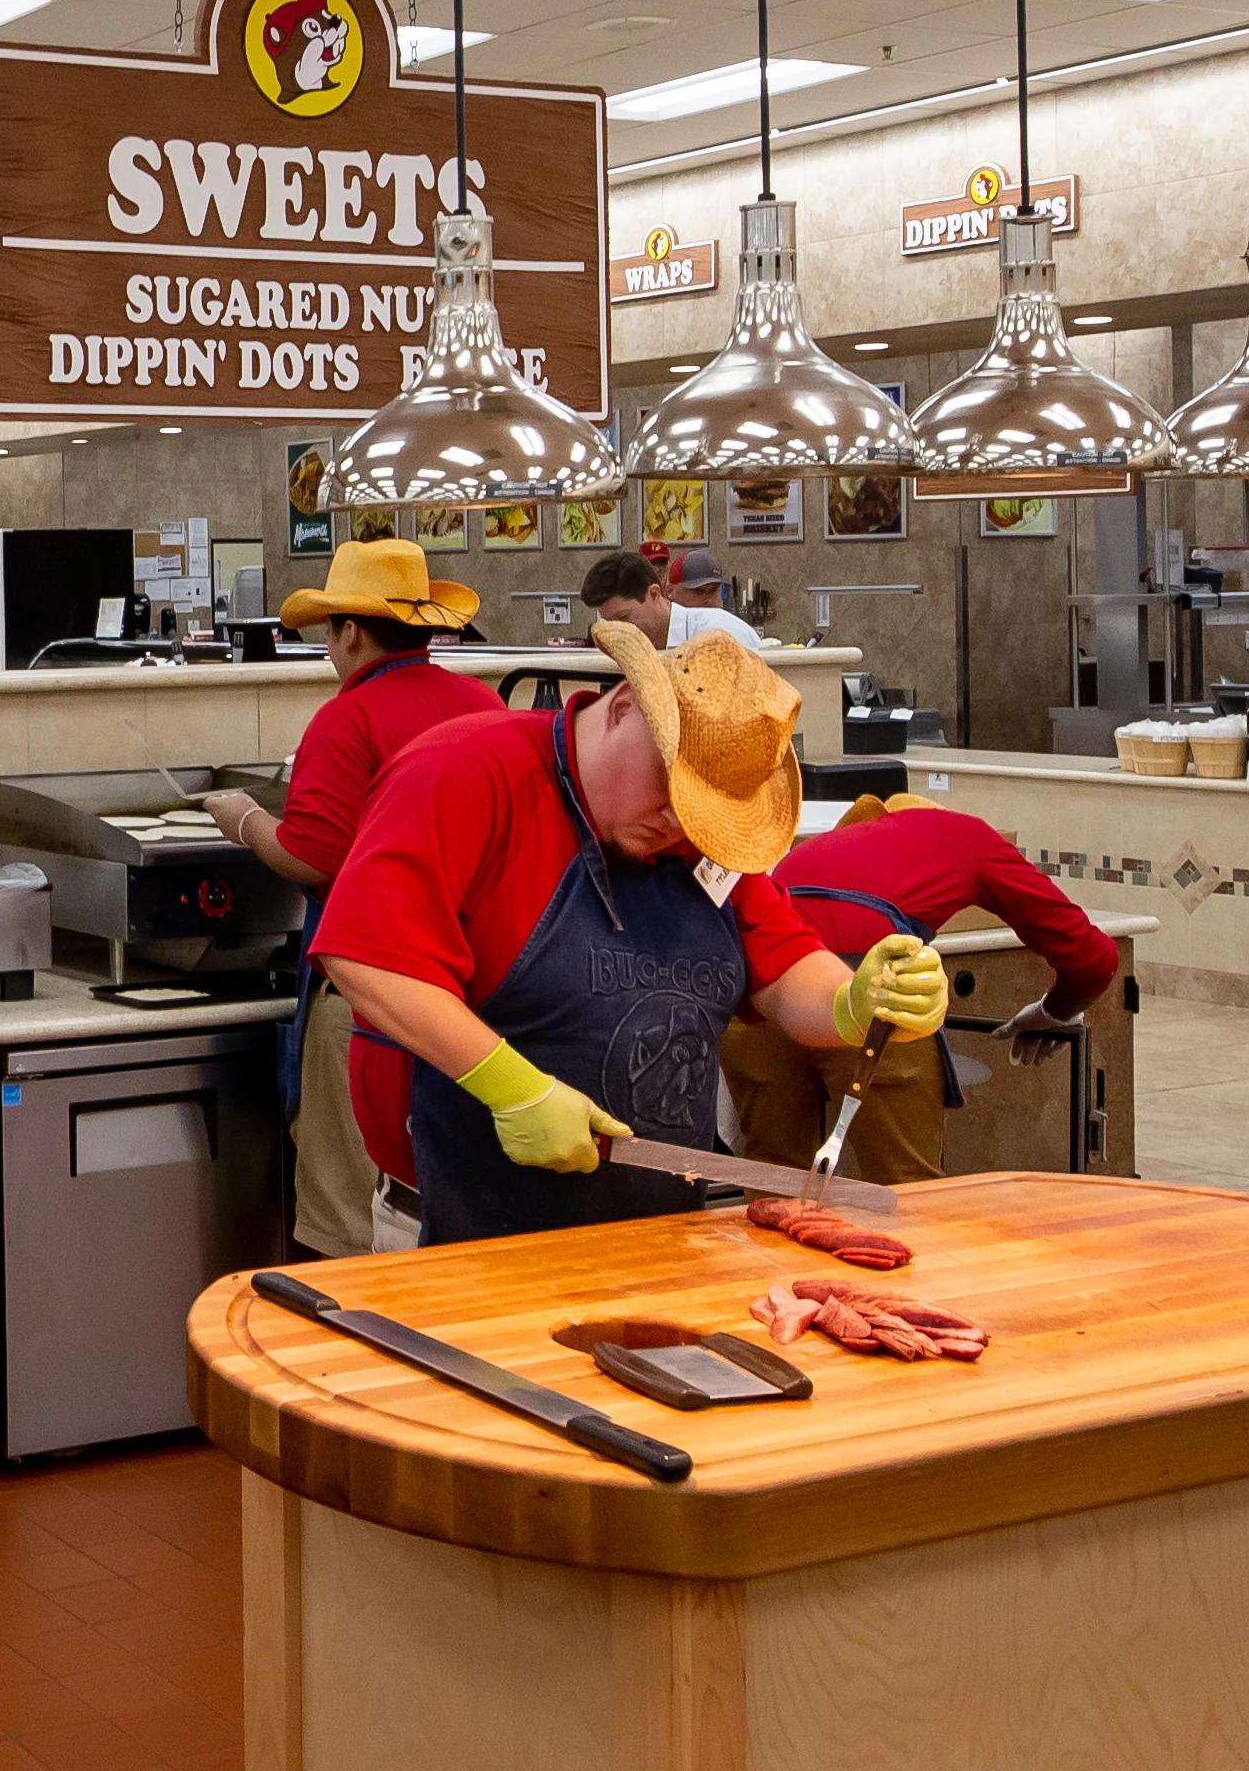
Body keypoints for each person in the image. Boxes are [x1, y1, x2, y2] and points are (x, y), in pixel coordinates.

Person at [313, 621, 945, 1245]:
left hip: (665, 1245)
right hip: (469, 1242)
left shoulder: (700, 842)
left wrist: (854, 1001)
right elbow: (363, 954)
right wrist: (512, 1087)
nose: (678, 822)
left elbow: (782, 972)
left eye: (702, 811)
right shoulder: (466, 770)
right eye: (670, 786)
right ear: (621, 709)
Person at [207, 539, 501, 1265]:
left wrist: (244, 821)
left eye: (332, 629)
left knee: (349, 1227)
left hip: (371, 1002)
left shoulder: (350, 719)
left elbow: (314, 856)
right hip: (475, 995)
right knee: (441, 1210)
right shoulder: (485, 703)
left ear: (351, 631)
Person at [718, 785, 1118, 1185]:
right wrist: (1054, 1011)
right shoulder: (966, 835)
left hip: (761, 1002)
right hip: (869, 998)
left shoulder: (827, 843)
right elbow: (1093, 956)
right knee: (908, 1191)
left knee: (773, 1183)